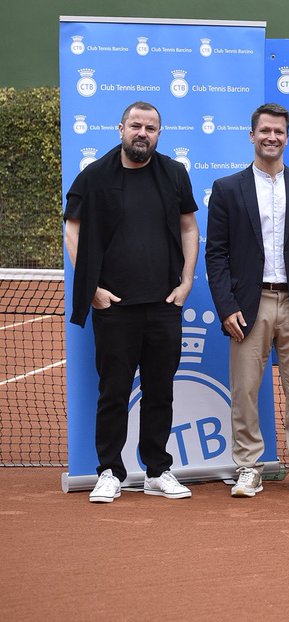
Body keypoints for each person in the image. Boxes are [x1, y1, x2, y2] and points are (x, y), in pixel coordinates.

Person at [64, 101, 198, 503]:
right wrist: (92, 289)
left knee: (161, 391)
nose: (143, 133)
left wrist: (187, 282)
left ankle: (158, 470)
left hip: (163, 305)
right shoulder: (94, 176)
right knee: (113, 391)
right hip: (115, 307)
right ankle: (110, 471)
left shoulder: (174, 173)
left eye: (151, 128)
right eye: (136, 126)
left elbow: (189, 226)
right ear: (120, 127)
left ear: (159, 133)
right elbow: (73, 229)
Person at [206, 102, 289, 498]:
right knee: (244, 391)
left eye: (278, 132)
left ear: (287, 138)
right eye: (264, 131)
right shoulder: (227, 189)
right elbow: (217, 255)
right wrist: (227, 307)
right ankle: (248, 467)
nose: (271, 138)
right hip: (248, 305)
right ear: (252, 136)